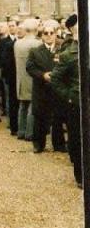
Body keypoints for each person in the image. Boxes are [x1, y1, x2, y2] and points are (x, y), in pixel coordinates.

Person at [26, 20, 67, 153]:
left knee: (57, 117)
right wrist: (42, 75)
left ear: (56, 34)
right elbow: (29, 68)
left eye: (51, 33)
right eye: (46, 33)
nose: (49, 35)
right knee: (40, 117)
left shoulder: (62, 49)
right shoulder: (35, 51)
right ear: (42, 35)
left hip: (57, 89)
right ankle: (38, 144)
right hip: (41, 89)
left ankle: (59, 144)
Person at [51, 14, 82, 188]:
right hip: (76, 103)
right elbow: (55, 79)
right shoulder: (68, 53)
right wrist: (69, 95)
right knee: (77, 139)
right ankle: (81, 177)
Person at [14, 19, 41, 141]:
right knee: (31, 107)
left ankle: (21, 131)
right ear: (35, 30)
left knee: (22, 106)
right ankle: (30, 133)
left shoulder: (17, 43)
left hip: (20, 78)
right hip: (32, 78)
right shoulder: (37, 44)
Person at [0, 16, 20, 135]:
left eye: (13, 26)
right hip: (10, 75)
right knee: (10, 100)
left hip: (20, 75)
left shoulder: (20, 40)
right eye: (9, 26)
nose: (11, 28)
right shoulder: (3, 42)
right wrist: (3, 74)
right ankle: (12, 125)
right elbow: (1, 60)